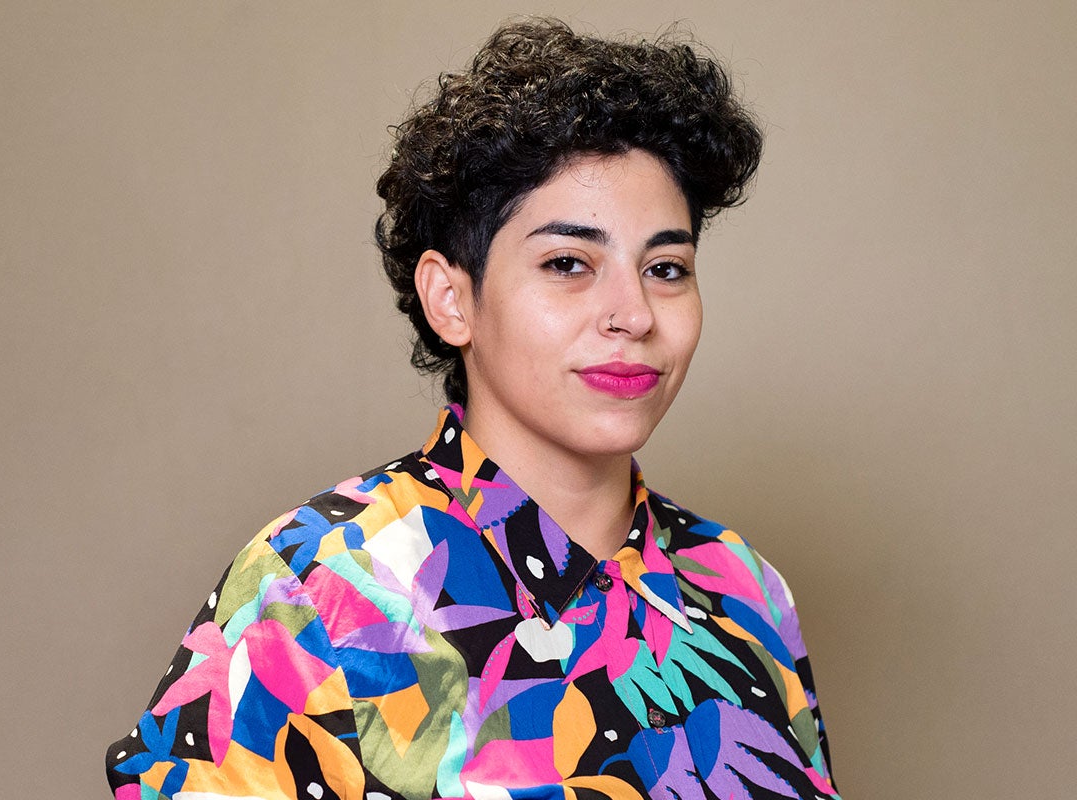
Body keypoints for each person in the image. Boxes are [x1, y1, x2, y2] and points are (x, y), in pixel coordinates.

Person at [106, 18, 840, 800]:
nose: (633, 314)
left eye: (666, 267)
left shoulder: (742, 589)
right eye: (568, 263)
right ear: (451, 299)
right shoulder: (319, 588)